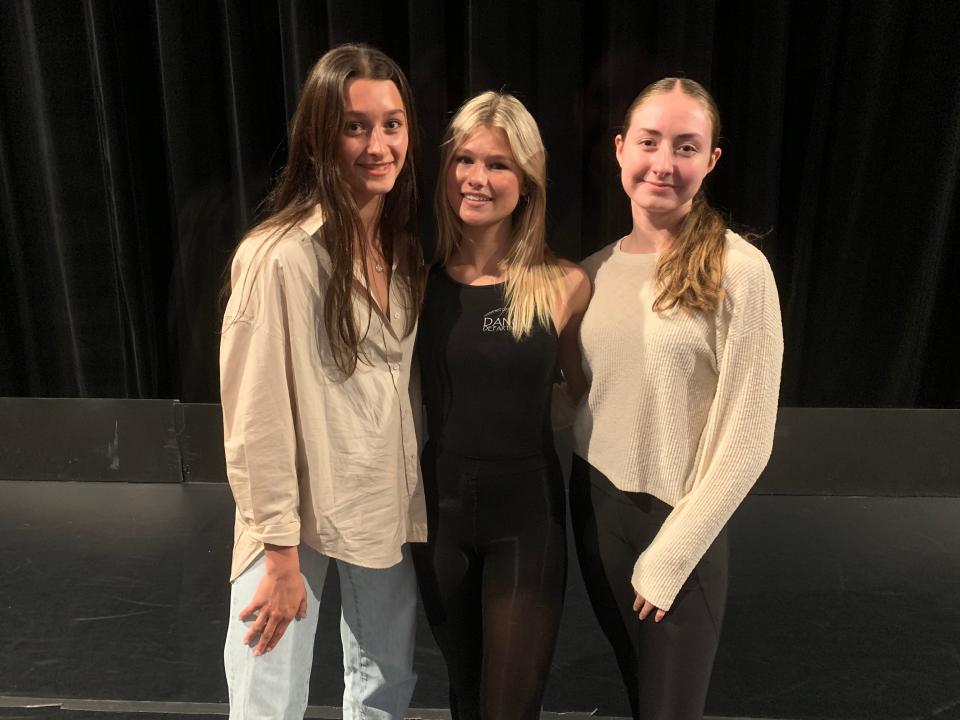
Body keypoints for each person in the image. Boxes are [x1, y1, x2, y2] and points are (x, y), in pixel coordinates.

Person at [218, 44, 426, 720]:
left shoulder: (403, 254)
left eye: (391, 124)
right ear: (320, 135)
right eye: (355, 125)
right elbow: (255, 417)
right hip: (293, 521)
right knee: (268, 696)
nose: (377, 143)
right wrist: (278, 550)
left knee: (386, 686)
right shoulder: (278, 255)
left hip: (378, 507)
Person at [570, 77, 784, 720]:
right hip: (597, 511)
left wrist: (672, 554)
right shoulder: (591, 272)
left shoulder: (738, 270)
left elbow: (749, 441)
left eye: (686, 147)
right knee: (640, 697)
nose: (663, 163)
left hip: (678, 526)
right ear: (619, 149)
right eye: (649, 141)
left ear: (711, 160)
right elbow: (582, 400)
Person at [412, 91, 591, 720]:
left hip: (528, 522)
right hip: (440, 520)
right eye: (465, 160)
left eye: (499, 165)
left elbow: (585, 395)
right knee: (464, 696)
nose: (477, 179)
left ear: (528, 181)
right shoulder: (416, 281)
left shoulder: (565, 285)